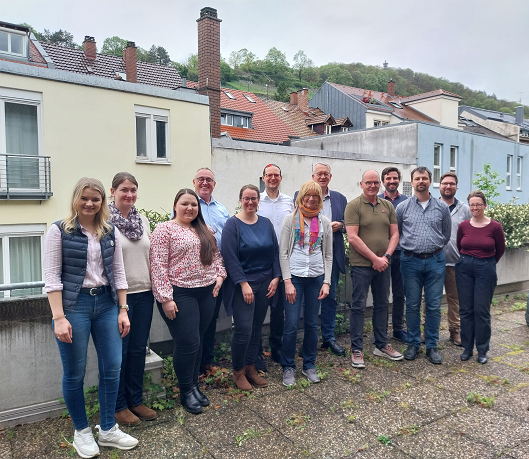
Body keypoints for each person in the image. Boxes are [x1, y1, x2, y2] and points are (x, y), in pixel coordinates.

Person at [44, 177, 138, 458]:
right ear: (76, 199)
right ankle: (82, 432)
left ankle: (107, 429)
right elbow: (51, 277)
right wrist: (59, 317)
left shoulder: (109, 231)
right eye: (84, 198)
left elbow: (119, 273)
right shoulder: (59, 230)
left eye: (95, 199)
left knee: (112, 367)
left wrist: (123, 309)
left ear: (102, 202)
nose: (89, 203)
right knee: (74, 372)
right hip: (75, 306)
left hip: (107, 304)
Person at [150, 189, 226, 414]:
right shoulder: (165, 229)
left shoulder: (204, 229)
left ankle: (194, 385)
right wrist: (165, 298)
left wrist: (220, 277)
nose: (190, 208)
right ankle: (185, 390)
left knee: (199, 340)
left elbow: (217, 257)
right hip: (180, 293)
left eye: (194, 204)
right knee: (188, 342)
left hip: (206, 292)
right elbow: (158, 265)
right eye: (185, 204)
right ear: (175, 206)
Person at [109, 172, 157, 427]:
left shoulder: (143, 220)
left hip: (145, 293)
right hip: (119, 297)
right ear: (113, 191)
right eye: (124, 189)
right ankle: (119, 406)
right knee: (122, 352)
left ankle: (135, 400)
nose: (129, 194)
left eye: (133, 190)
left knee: (139, 350)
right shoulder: (105, 222)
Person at [221, 185, 281, 390]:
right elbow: (230, 257)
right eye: (246, 198)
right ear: (240, 200)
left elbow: (275, 252)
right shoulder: (233, 224)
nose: (250, 202)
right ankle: (238, 372)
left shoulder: (266, 223)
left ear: (258, 201)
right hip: (243, 285)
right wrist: (243, 283)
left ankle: (251, 368)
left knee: (256, 328)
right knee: (243, 329)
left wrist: (276, 277)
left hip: (266, 283)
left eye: (254, 198)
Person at [345, 170, 403, 369]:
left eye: (375, 182)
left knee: (381, 305)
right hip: (362, 266)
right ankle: (357, 349)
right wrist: (374, 259)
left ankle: (381, 344)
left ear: (379, 184)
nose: (372, 186)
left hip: (384, 264)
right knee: (358, 306)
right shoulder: (353, 206)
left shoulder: (387, 205)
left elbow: (394, 234)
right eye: (368, 182)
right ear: (361, 184)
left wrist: (385, 257)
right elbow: (352, 237)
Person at [396, 166, 451, 365]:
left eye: (425, 178)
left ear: (430, 181)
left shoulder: (442, 207)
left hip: (436, 260)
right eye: (417, 178)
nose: (421, 181)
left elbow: (446, 235)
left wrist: (431, 248)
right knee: (411, 304)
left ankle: (432, 346)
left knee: (434, 305)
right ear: (412, 182)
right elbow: (398, 232)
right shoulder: (402, 207)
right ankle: (413, 343)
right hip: (410, 261)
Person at [280, 181, 333, 387]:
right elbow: (283, 253)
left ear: (319, 199)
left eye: (315, 196)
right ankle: (288, 366)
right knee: (292, 324)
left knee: (312, 324)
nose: (311, 199)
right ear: (301, 197)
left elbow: (327, 254)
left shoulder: (325, 222)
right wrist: (287, 282)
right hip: (295, 278)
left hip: (316, 278)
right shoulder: (290, 220)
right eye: (307, 195)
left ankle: (309, 364)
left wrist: (327, 282)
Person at [295, 163, 347, 356]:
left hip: (330, 256)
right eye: (319, 174)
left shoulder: (340, 198)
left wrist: (340, 225)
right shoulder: (299, 196)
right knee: (305, 301)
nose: (322, 177)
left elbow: (348, 224)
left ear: (330, 177)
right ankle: (305, 340)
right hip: (306, 257)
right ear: (313, 176)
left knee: (330, 298)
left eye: (326, 174)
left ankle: (329, 338)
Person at [456, 190, 505, 364]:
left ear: (485, 205)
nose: (475, 207)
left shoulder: (495, 227)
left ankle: (482, 349)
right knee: (466, 309)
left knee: (481, 310)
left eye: (478, 204)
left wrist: (488, 263)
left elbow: (500, 249)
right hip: (464, 268)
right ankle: (467, 348)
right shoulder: (463, 226)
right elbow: (459, 244)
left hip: (486, 267)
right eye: (472, 204)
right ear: (469, 207)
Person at [192, 168, 230, 376]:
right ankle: (194, 366)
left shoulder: (222, 209)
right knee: (195, 322)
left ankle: (207, 361)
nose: (205, 183)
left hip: (217, 273)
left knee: (211, 319)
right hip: (194, 275)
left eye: (209, 180)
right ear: (194, 182)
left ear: (214, 184)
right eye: (201, 179)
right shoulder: (187, 206)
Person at [257, 164, 295, 364]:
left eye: (276, 175)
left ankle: (276, 347)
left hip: (284, 260)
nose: (272, 178)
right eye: (269, 175)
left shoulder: (289, 201)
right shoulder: (257, 201)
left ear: (281, 177)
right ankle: (255, 352)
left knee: (279, 310)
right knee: (259, 308)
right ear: (263, 178)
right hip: (261, 260)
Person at [439, 172, 471, 346]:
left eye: (452, 183)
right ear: (439, 186)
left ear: (456, 187)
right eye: (445, 183)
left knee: (455, 300)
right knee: (429, 299)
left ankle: (454, 331)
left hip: (456, 263)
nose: (448, 186)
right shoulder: (432, 206)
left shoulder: (464, 209)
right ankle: (427, 330)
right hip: (434, 262)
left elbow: (470, 233)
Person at [379, 167, 409, 343]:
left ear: (399, 180)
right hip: (381, 256)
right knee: (382, 295)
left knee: (400, 294)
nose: (392, 181)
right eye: (388, 178)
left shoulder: (406, 201)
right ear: (383, 181)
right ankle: (381, 330)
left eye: (395, 178)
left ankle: (398, 329)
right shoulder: (376, 200)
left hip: (401, 255)